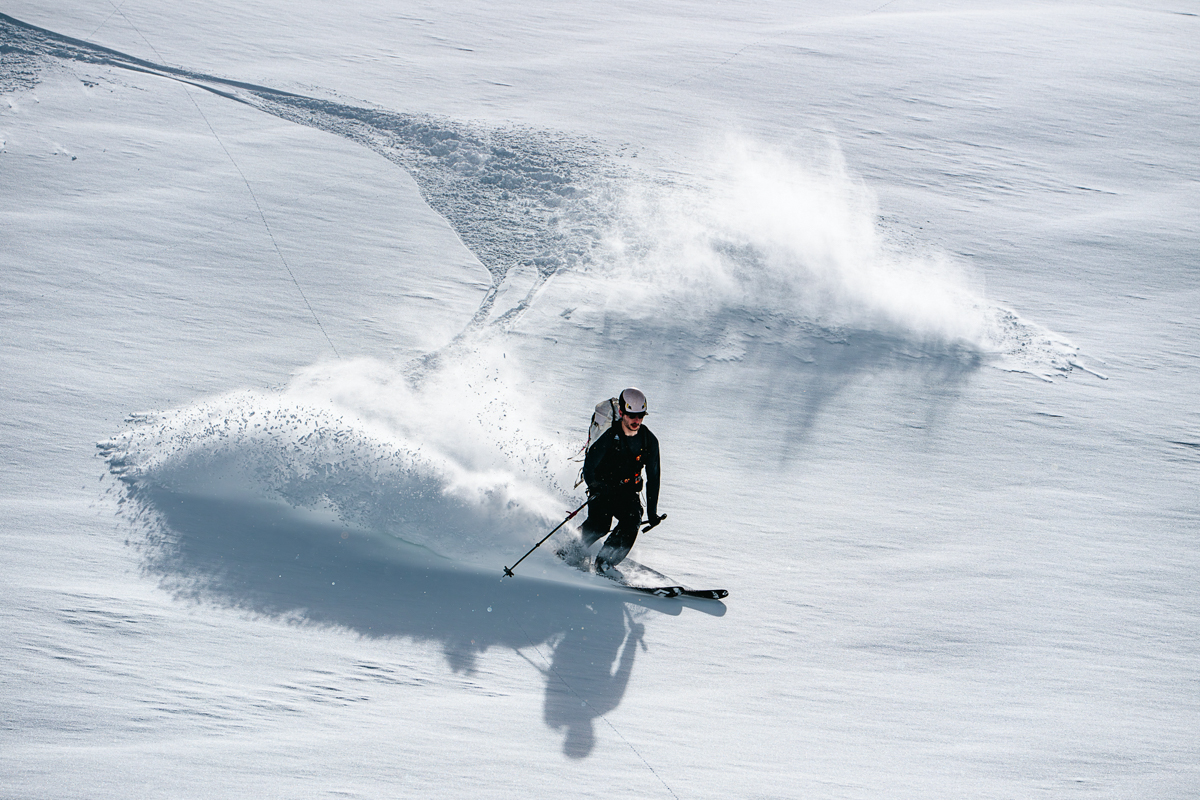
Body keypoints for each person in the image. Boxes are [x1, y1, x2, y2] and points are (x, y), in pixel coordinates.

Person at [579, 387, 663, 572]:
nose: (637, 420)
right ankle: (571, 549)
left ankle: (606, 563)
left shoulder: (649, 441)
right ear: (621, 413)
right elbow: (589, 466)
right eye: (632, 416)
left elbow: (654, 477)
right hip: (603, 489)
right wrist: (596, 486)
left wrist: (652, 512)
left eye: (641, 415)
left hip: (627, 491)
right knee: (600, 525)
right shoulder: (609, 436)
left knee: (632, 520)